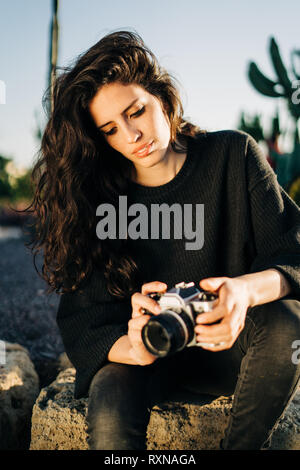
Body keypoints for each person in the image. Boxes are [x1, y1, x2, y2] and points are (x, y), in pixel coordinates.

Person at [28, 30, 300, 450]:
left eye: (136, 111)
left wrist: (242, 292)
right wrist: (132, 343)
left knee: (289, 321)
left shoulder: (234, 156)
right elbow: (83, 322)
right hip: (147, 362)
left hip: (235, 350)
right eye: (111, 129)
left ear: (162, 96)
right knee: (112, 395)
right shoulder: (102, 198)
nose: (132, 135)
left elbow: (293, 251)